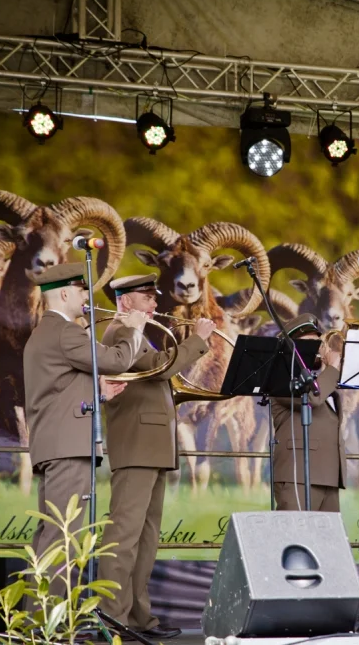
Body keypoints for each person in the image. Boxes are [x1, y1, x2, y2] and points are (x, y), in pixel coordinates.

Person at [98, 273, 214, 640]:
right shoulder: (120, 333)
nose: (154, 304)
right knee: (124, 535)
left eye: (153, 297)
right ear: (125, 301)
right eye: (147, 297)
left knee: (145, 538)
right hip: (136, 447)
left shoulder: (137, 334)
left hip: (153, 446)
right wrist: (198, 340)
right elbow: (159, 367)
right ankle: (111, 618)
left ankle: (138, 619)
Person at [23, 262, 147, 597]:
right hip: (67, 448)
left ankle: (39, 622)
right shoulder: (66, 331)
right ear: (64, 293)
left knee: (51, 535)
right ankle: (50, 625)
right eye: (81, 291)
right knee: (61, 538)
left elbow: (58, 389)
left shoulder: (46, 332)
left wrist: (97, 395)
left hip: (56, 444)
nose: (86, 298)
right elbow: (118, 361)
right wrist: (134, 328)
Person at [270, 313, 347, 512]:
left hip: (328, 474)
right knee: (295, 537)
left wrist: (326, 370)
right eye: (309, 344)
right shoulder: (280, 376)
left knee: (326, 541)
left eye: (318, 343)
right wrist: (332, 368)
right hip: (297, 474)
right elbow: (312, 398)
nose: (318, 349)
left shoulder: (323, 379)